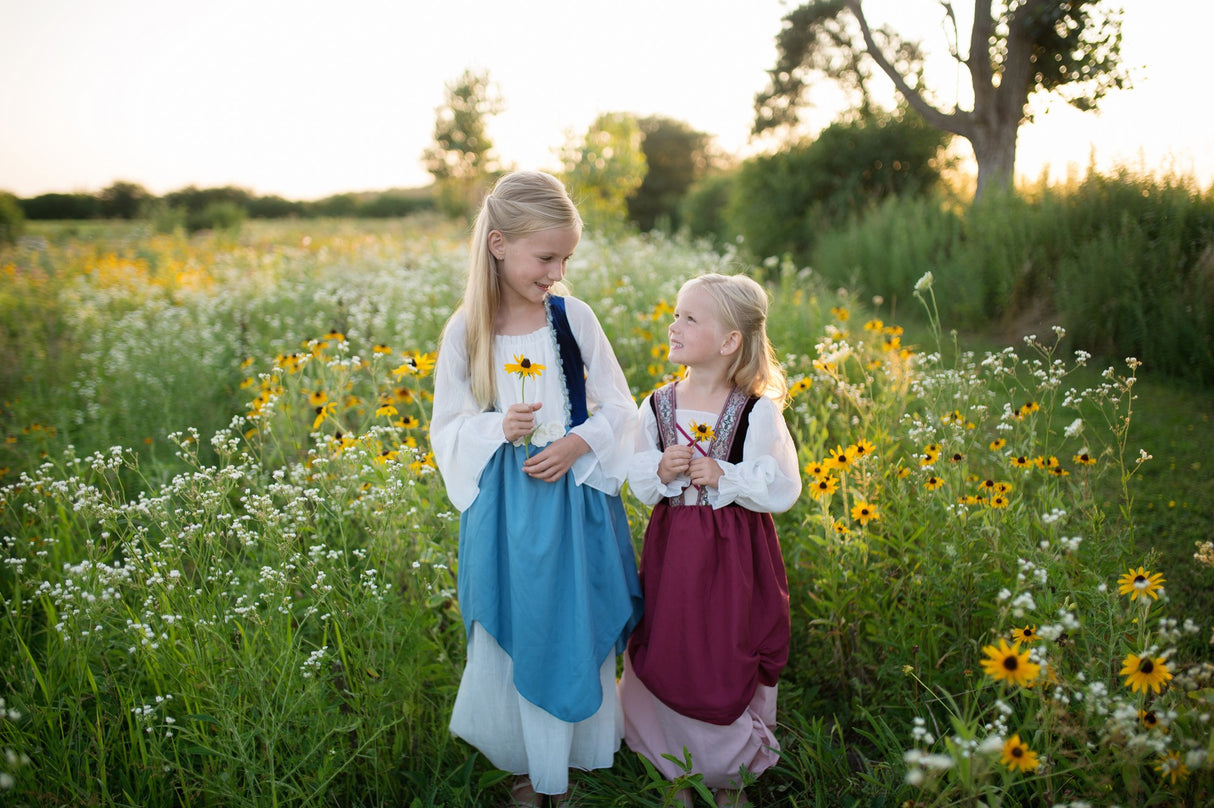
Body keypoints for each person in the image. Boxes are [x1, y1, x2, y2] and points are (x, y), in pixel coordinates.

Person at [431, 170, 644, 807]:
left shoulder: (572, 319)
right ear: (498, 244)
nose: (555, 270)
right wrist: (499, 424)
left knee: (570, 625)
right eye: (545, 256)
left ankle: (569, 764)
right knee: (519, 630)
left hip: (575, 502)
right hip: (507, 511)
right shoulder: (466, 331)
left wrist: (579, 442)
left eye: (565, 258)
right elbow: (448, 427)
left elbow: (621, 407)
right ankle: (528, 769)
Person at [618, 273, 800, 807]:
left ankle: (730, 770)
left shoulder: (754, 410)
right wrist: (662, 467)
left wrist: (727, 475)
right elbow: (639, 474)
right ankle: (677, 764)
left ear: (729, 342)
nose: (674, 326)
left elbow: (781, 483)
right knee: (673, 642)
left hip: (733, 555)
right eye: (676, 314)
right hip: (675, 552)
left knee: (725, 645)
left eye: (689, 318)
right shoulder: (657, 404)